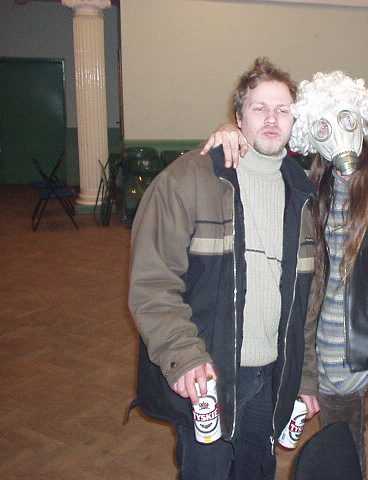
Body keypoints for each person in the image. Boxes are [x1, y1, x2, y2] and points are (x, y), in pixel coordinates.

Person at [204, 70, 368, 480]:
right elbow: (261, 155)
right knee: (340, 459)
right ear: (310, 137)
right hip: (329, 363)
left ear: (362, 119)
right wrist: (230, 131)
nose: (338, 136)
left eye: (346, 119)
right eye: (323, 128)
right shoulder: (308, 187)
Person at [128, 57, 319, 480]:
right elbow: (153, 284)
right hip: (210, 375)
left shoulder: (304, 195)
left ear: (294, 120)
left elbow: (307, 305)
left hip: (271, 380)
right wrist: (184, 357)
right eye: (259, 108)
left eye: (283, 109)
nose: (272, 119)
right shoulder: (188, 180)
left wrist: (305, 377)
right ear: (238, 117)